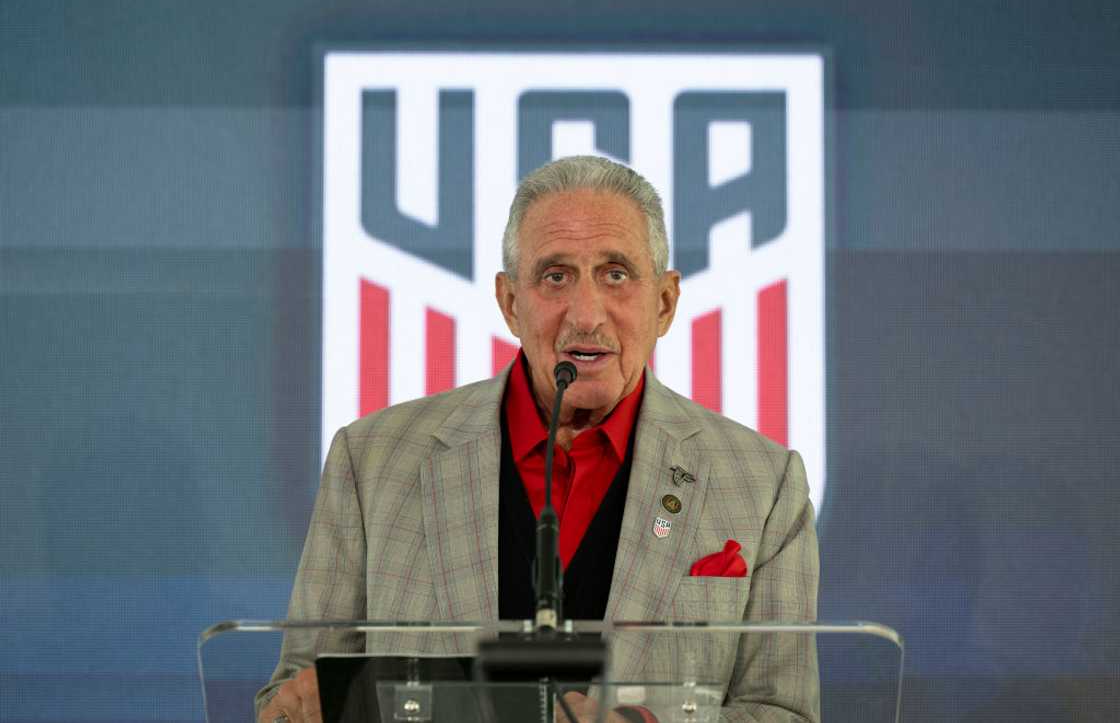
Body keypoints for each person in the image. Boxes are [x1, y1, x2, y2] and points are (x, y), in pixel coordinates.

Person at [257, 156, 819, 723]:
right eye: (556, 277)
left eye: (615, 274)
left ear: (666, 303)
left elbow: (785, 713)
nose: (586, 315)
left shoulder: (764, 486)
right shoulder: (372, 461)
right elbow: (293, 697)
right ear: (510, 303)